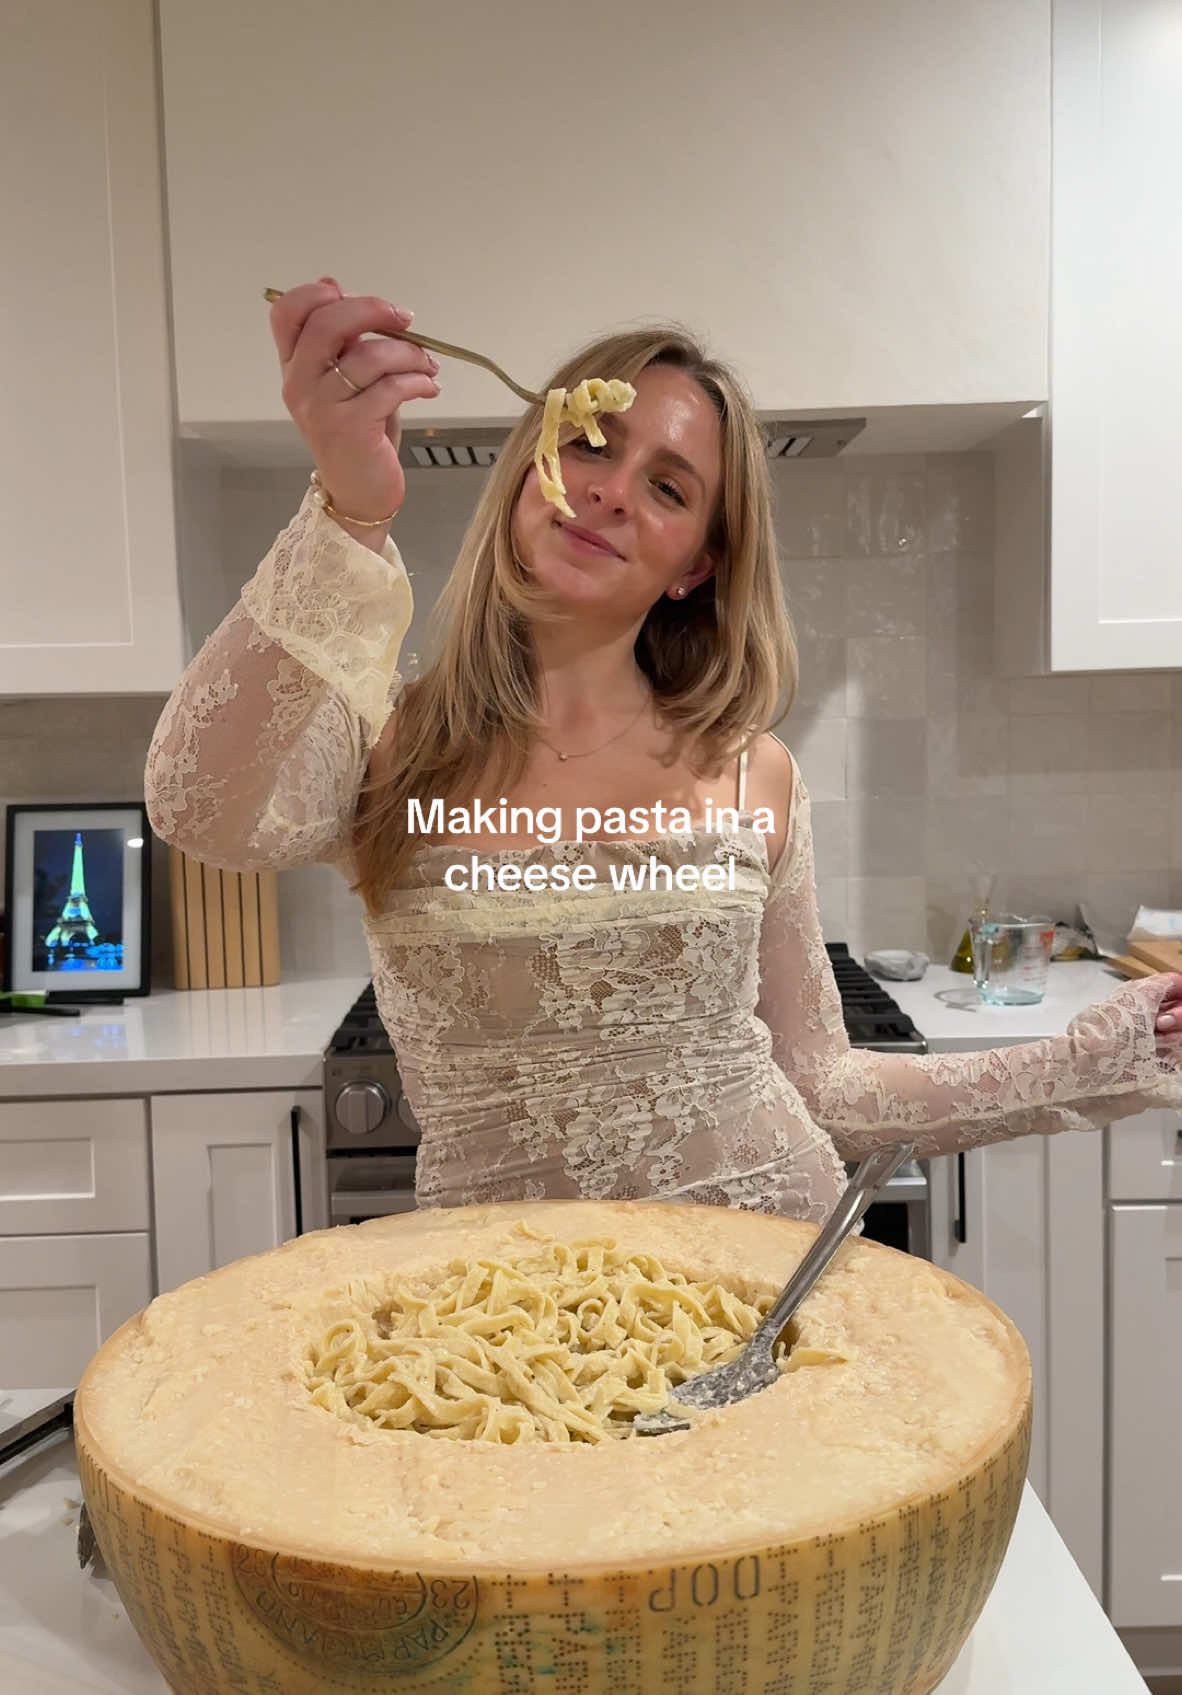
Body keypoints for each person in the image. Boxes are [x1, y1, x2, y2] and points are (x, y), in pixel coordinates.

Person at [146, 279, 1182, 1221]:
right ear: (532, 466)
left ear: (697, 565)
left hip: (757, 1295)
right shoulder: (386, 743)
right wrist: (350, 509)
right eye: (593, 445)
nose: (610, 491)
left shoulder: (752, 770)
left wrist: (1083, 1062)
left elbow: (824, 1086)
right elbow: (196, 805)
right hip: (496, 1331)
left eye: (670, 487)